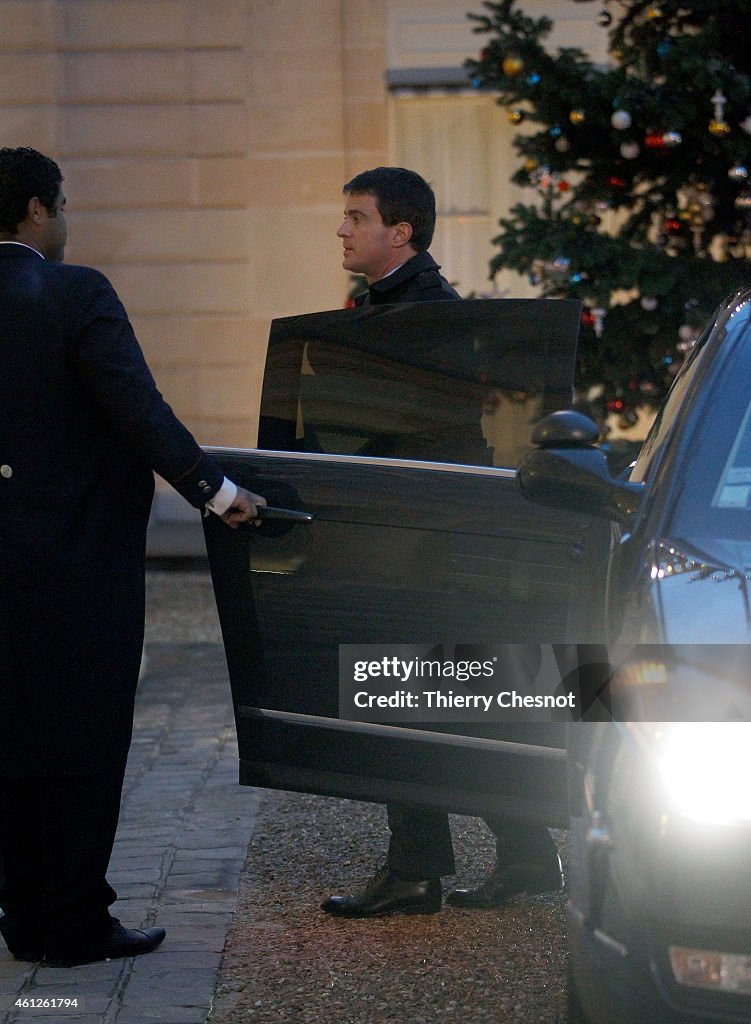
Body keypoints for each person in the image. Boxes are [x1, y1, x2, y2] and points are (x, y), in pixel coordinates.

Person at [0, 147, 265, 966]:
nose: (67, 219)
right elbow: (135, 407)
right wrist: (218, 494)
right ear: (38, 210)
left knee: (9, 741)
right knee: (83, 737)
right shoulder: (74, 292)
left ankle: (25, 916)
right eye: (64, 203)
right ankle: (75, 920)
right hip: (74, 566)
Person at [321, 167, 563, 917]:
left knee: (413, 694)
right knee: (456, 693)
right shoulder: (400, 304)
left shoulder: (419, 314)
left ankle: (421, 871)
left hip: (419, 538)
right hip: (424, 532)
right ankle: (520, 857)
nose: (342, 229)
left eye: (356, 217)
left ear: (401, 232)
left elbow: (408, 431)